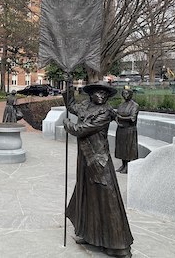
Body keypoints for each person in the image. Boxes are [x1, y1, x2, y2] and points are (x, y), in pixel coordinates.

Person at [63, 83, 133, 258]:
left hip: (98, 159)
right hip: (85, 159)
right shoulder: (86, 106)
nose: (101, 95)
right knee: (88, 195)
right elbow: (72, 106)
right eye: (97, 92)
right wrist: (68, 87)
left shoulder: (106, 112)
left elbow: (82, 129)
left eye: (104, 93)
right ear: (91, 95)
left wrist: (67, 124)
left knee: (106, 196)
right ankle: (89, 233)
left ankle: (118, 244)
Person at [115, 87, 139, 174]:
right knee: (121, 148)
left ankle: (128, 166)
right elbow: (116, 115)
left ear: (131, 95)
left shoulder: (134, 105)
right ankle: (123, 165)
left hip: (129, 130)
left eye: (127, 93)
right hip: (121, 128)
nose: (125, 95)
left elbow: (132, 118)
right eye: (124, 93)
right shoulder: (121, 105)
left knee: (128, 148)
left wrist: (120, 117)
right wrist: (117, 121)